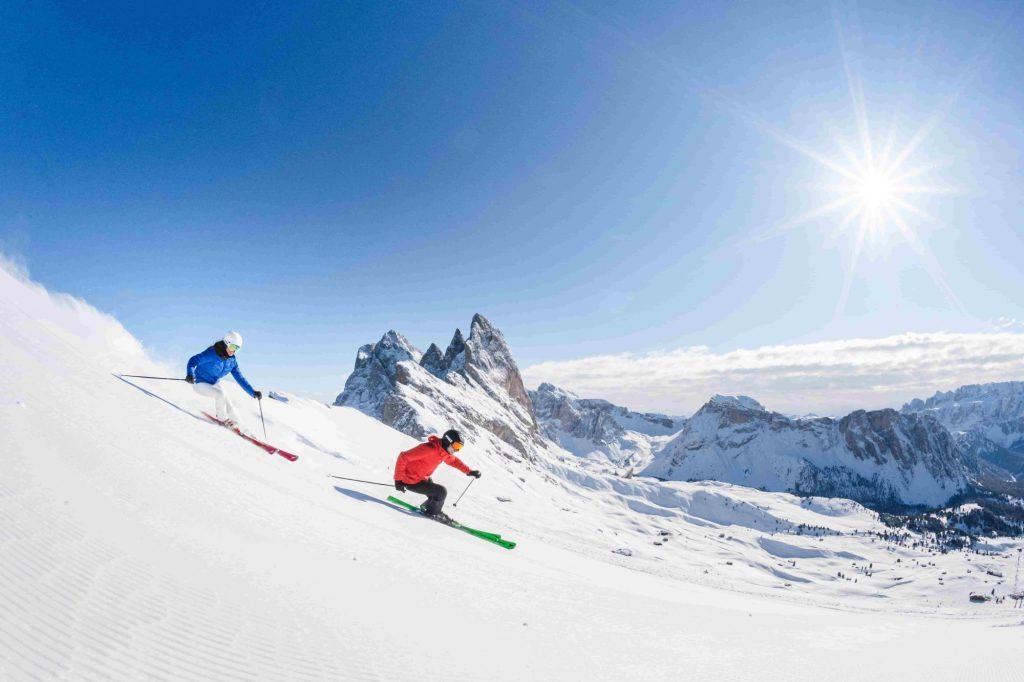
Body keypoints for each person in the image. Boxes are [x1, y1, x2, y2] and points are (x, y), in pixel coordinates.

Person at [394, 429, 481, 522]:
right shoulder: (429, 449)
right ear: (448, 441)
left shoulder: (443, 452)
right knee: (441, 492)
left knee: (435, 492)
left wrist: (469, 471)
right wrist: (398, 480)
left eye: (460, 447)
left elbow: (454, 461)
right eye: (456, 446)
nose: (457, 450)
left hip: (420, 478)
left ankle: (429, 508)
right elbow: (403, 457)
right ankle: (433, 514)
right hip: (409, 480)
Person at [186, 331, 262, 429]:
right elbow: (193, 360)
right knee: (220, 395)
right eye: (232, 347)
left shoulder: (232, 361)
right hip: (199, 382)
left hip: (213, 383)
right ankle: (222, 419)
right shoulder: (212, 353)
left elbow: (240, 378)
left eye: (237, 349)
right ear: (226, 343)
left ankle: (239, 425)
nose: (233, 351)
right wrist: (190, 374)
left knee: (228, 401)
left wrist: (253, 392)